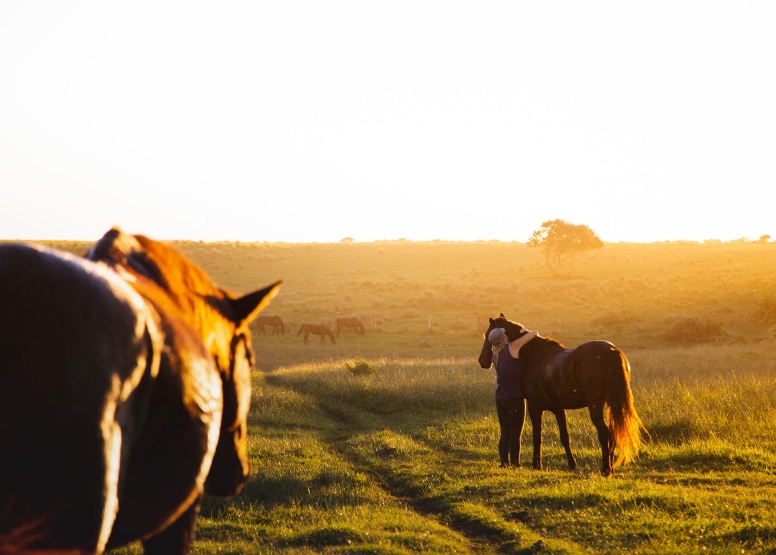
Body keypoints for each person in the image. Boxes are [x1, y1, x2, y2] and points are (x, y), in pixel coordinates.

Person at [487, 326, 538, 468]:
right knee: (516, 434)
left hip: (500, 399)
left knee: (505, 433)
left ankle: (504, 463)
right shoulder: (513, 348)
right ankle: (515, 464)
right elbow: (534, 334)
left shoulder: (494, 354)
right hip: (514, 398)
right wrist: (524, 330)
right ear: (503, 338)